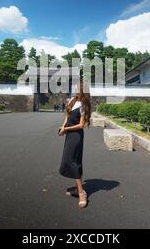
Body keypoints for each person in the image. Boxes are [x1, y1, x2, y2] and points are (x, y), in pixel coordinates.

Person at [58, 81, 92, 209]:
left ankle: (82, 193)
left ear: (82, 90)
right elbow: (67, 116)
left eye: (77, 88)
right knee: (71, 160)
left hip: (76, 136)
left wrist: (66, 129)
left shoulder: (83, 104)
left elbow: (81, 125)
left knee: (72, 161)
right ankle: (78, 189)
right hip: (69, 135)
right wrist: (62, 128)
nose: (75, 89)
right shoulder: (72, 100)